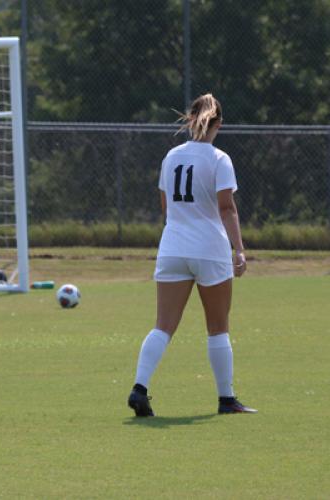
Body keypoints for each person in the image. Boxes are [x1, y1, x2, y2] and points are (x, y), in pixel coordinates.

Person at [127, 94, 257, 416]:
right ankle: (226, 400)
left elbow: (165, 207)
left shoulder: (171, 156)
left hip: (172, 247)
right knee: (217, 327)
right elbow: (226, 208)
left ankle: (139, 388)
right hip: (209, 251)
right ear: (219, 124)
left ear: (190, 120)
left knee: (163, 326)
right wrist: (239, 250)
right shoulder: (219, 159)